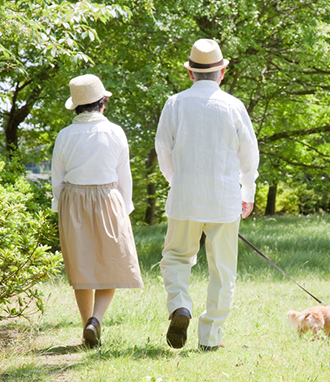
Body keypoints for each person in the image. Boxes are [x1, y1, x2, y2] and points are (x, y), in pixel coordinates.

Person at [155, 39, 260, 351]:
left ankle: (180, 306)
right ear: (222, 72)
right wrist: (248, 191)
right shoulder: (234, 106)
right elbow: (249, 156)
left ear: (190, 73)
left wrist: (179, 181)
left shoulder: (174, 104)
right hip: (224, 198)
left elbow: (163, 151)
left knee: (176, 257)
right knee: (222, 270)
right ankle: (211, 337)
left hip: (184, 197)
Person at [51, 74, 144, 348]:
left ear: (76, 106)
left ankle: (85, 327)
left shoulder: (65, 135)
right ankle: (96, 319)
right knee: (111, 263)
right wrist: (125, 209)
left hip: (73, 199)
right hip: (107, 196)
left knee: (82, 266)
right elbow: (123, 175)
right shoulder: (115, 132)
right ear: (103, 102)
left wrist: (62, 208)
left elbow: (58, 178)